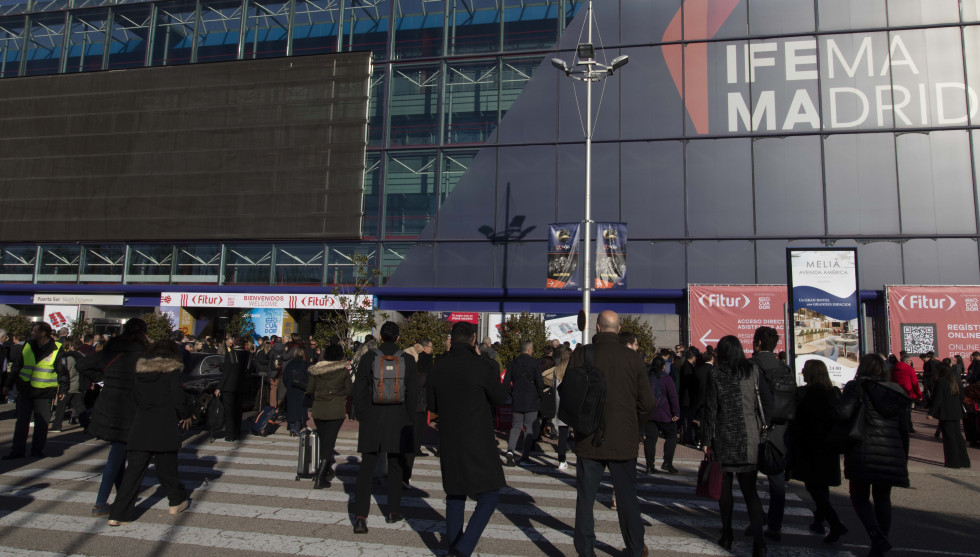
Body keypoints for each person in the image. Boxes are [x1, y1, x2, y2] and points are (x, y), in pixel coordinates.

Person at [568, 310, 654, 557]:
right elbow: (647, 403)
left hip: (588, 436)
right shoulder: (633, 358)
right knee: (628, 497)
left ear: (597, 327)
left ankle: (586, 550)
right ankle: (636, 547)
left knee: (585, 499)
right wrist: (634, 425)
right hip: (623, 438)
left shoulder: (582, 354)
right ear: (618, 330)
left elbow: (570, 394)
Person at [427, 322, 508, 557]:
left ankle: (454, 547)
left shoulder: (438, 366)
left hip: (449, 436)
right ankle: (462, 548)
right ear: (474, 340)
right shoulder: (482, 367)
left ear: (451, 340)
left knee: (455, 494)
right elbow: (501, 397)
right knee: (490, 493)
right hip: (478, 436)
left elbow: (431, 405)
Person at [107, 341, 195, 526]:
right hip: (164, 424)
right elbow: (178, 397)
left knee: (133, 472)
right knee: (167, 469)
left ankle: (118, 513)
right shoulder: (171, 372)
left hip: (141, 424)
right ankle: (176, 501)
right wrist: (186, 413)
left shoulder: (140, 372)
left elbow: (135, 397)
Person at [699, 335, 770, 557]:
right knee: (751, 492)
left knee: (725, 490)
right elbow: (763, 403)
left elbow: (710, 409)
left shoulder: (716, 374)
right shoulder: (752, 371)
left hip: (725, 437)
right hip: (750, 436)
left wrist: (706, 439)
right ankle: (759, 541)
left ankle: (727, 533)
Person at [834, 354, 911, 557]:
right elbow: (904, 428)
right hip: (891, 451)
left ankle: (875, 534)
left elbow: (842, 413)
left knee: (859, 495)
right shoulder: (897, 392)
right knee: (883, 497)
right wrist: (904, 455)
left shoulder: (857, 386)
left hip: (863, 447)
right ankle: (879, 545)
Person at [76, 318, 148, 516]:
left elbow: (81, 365)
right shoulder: (145, 352)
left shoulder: (111, 348)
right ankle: (100, 503)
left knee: (119, 452)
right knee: (117, 454)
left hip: (109, 405)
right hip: (132, 408)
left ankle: (122, 496)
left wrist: (100, 379)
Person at [351, 321, 417, 534]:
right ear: (398, 338)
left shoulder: (368, 358)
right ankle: (393, 511)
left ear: (380, 337)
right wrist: (408, 419)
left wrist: (362, 414)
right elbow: (412, 394)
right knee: (396, 465)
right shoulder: (407, 360)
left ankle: (360, 516)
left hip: (373, 417)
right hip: (398, 418)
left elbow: (359, 389)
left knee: (367, 466)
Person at [790, 360, 847, 542]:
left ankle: (833, 522)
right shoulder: (833, 393)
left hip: (809, 444)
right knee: (822, 485)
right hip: (829, 445)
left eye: (805, 370)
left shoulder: (804, 393)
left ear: (812, 373)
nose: (803, 372)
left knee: (813, 486)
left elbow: (796, 420)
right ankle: (819, 519)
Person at [748, 326, 792, 542]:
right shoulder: (784, 368)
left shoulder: (751, 366)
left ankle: (757, 517)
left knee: (748, 479)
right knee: (777, 482)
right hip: (780, 431)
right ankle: (775, 525)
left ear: (757, 343)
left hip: (755, 428)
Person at [2, 322, 69, 460]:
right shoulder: (28, 345)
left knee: (42, 423)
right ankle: (17, 451)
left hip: (44, 392)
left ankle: (37, 450)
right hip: (26, 390)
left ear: (43, 333)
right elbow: (17, 366)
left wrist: (63, 389)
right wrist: (8, 384)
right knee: (21, 422)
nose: (32, 333)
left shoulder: (57, 348)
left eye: (34, 331)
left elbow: (62, 371)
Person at [306, 344, 352, 488]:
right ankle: (320, 476)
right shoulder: (343, 371)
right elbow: (350, 391)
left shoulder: (317, 370)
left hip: (319, 409)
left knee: (324, 440)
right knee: (329, 442)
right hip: (335, 410)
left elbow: (310, 389)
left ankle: (326, 470)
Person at [503, 340, 543, 467]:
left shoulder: (513, 363)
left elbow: (506, 383)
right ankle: (525, 456)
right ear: (530, 350)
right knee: (529, 427)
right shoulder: (534, 363)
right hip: (531, 399)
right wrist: (539, 393)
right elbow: (540, 383)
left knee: (515, 426)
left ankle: (510, 451)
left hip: (518, 398)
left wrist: (512, 392)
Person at [928, 363, 971, 469]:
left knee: (949, 437)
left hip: (946, 412)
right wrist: (968, 407)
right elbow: (962, 396)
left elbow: (937, 399)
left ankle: (953, 461)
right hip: (956, 411)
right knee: (958, 436)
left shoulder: (941, 382)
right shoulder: (954, 380)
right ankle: (964, 461)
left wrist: (931, 412)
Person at [404, 338, 434, 485]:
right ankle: (414, 450)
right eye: (430, 347)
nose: (431, 349)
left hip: (412, 399)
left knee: (416, 425)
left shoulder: (409, 358)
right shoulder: (427, 361)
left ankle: (413, 449)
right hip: (421, 398)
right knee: (419, 425)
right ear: (424, 348)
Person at [643, 356, 679, 474]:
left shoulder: (647, 378)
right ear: (664, 366)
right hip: (665, 414)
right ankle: (667, 462)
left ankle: (649, 465)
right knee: (671, 436)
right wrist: (676, 412)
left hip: (650, 413)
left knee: (650, 439)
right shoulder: (667, 379)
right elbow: (673, 397)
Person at [215, 336, 249, 442]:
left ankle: (230, 434)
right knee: (238, 410)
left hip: (229, 385)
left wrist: (219, 387)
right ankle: (237, 432)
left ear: (234, 343)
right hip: (241, 385)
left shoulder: (231, 354)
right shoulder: (248, 354)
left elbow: (226, 372)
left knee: (229, 411)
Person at [50, 339, 89, 431]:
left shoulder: (69, 358)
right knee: (79, 407)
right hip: (77, 384)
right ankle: (87, 424)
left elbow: (66, 372)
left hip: (69, 385)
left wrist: (62, 384)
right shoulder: (81, 356)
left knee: (61, 407)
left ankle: (56, 426)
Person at [547, 347, 572, 470]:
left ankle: (562, 459)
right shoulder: (572, 369)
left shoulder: (557, 370)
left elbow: (553, 386)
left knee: (562, 432)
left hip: (559, 401)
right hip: (571, 402)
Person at [280, 346, 310, 436]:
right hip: (301, 388)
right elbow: (309, 376)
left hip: (291, 388)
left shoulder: (290, 363)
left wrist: (288, 385)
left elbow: (284, 377)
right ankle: (297, 427)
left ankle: (292, 428)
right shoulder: (305, 364)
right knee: (300, 409)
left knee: (291, 408)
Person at [891, 352, 921, 433]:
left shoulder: (895, 368)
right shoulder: (909, 369)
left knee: (900, 410)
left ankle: (901, 426)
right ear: (907, 361)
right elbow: (915, 383)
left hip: (897, 391)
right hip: (908, 392)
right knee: (907, 411)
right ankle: (908, 427)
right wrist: (919, 395)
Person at [676, 348, 698, 446]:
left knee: (686, 418)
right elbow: (688, 383)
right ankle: (686, 436)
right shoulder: (687, 367)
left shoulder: (686, 366)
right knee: (686, 418)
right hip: (687, 398)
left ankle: (685, 436)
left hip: (686, 397)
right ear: (692, 357)